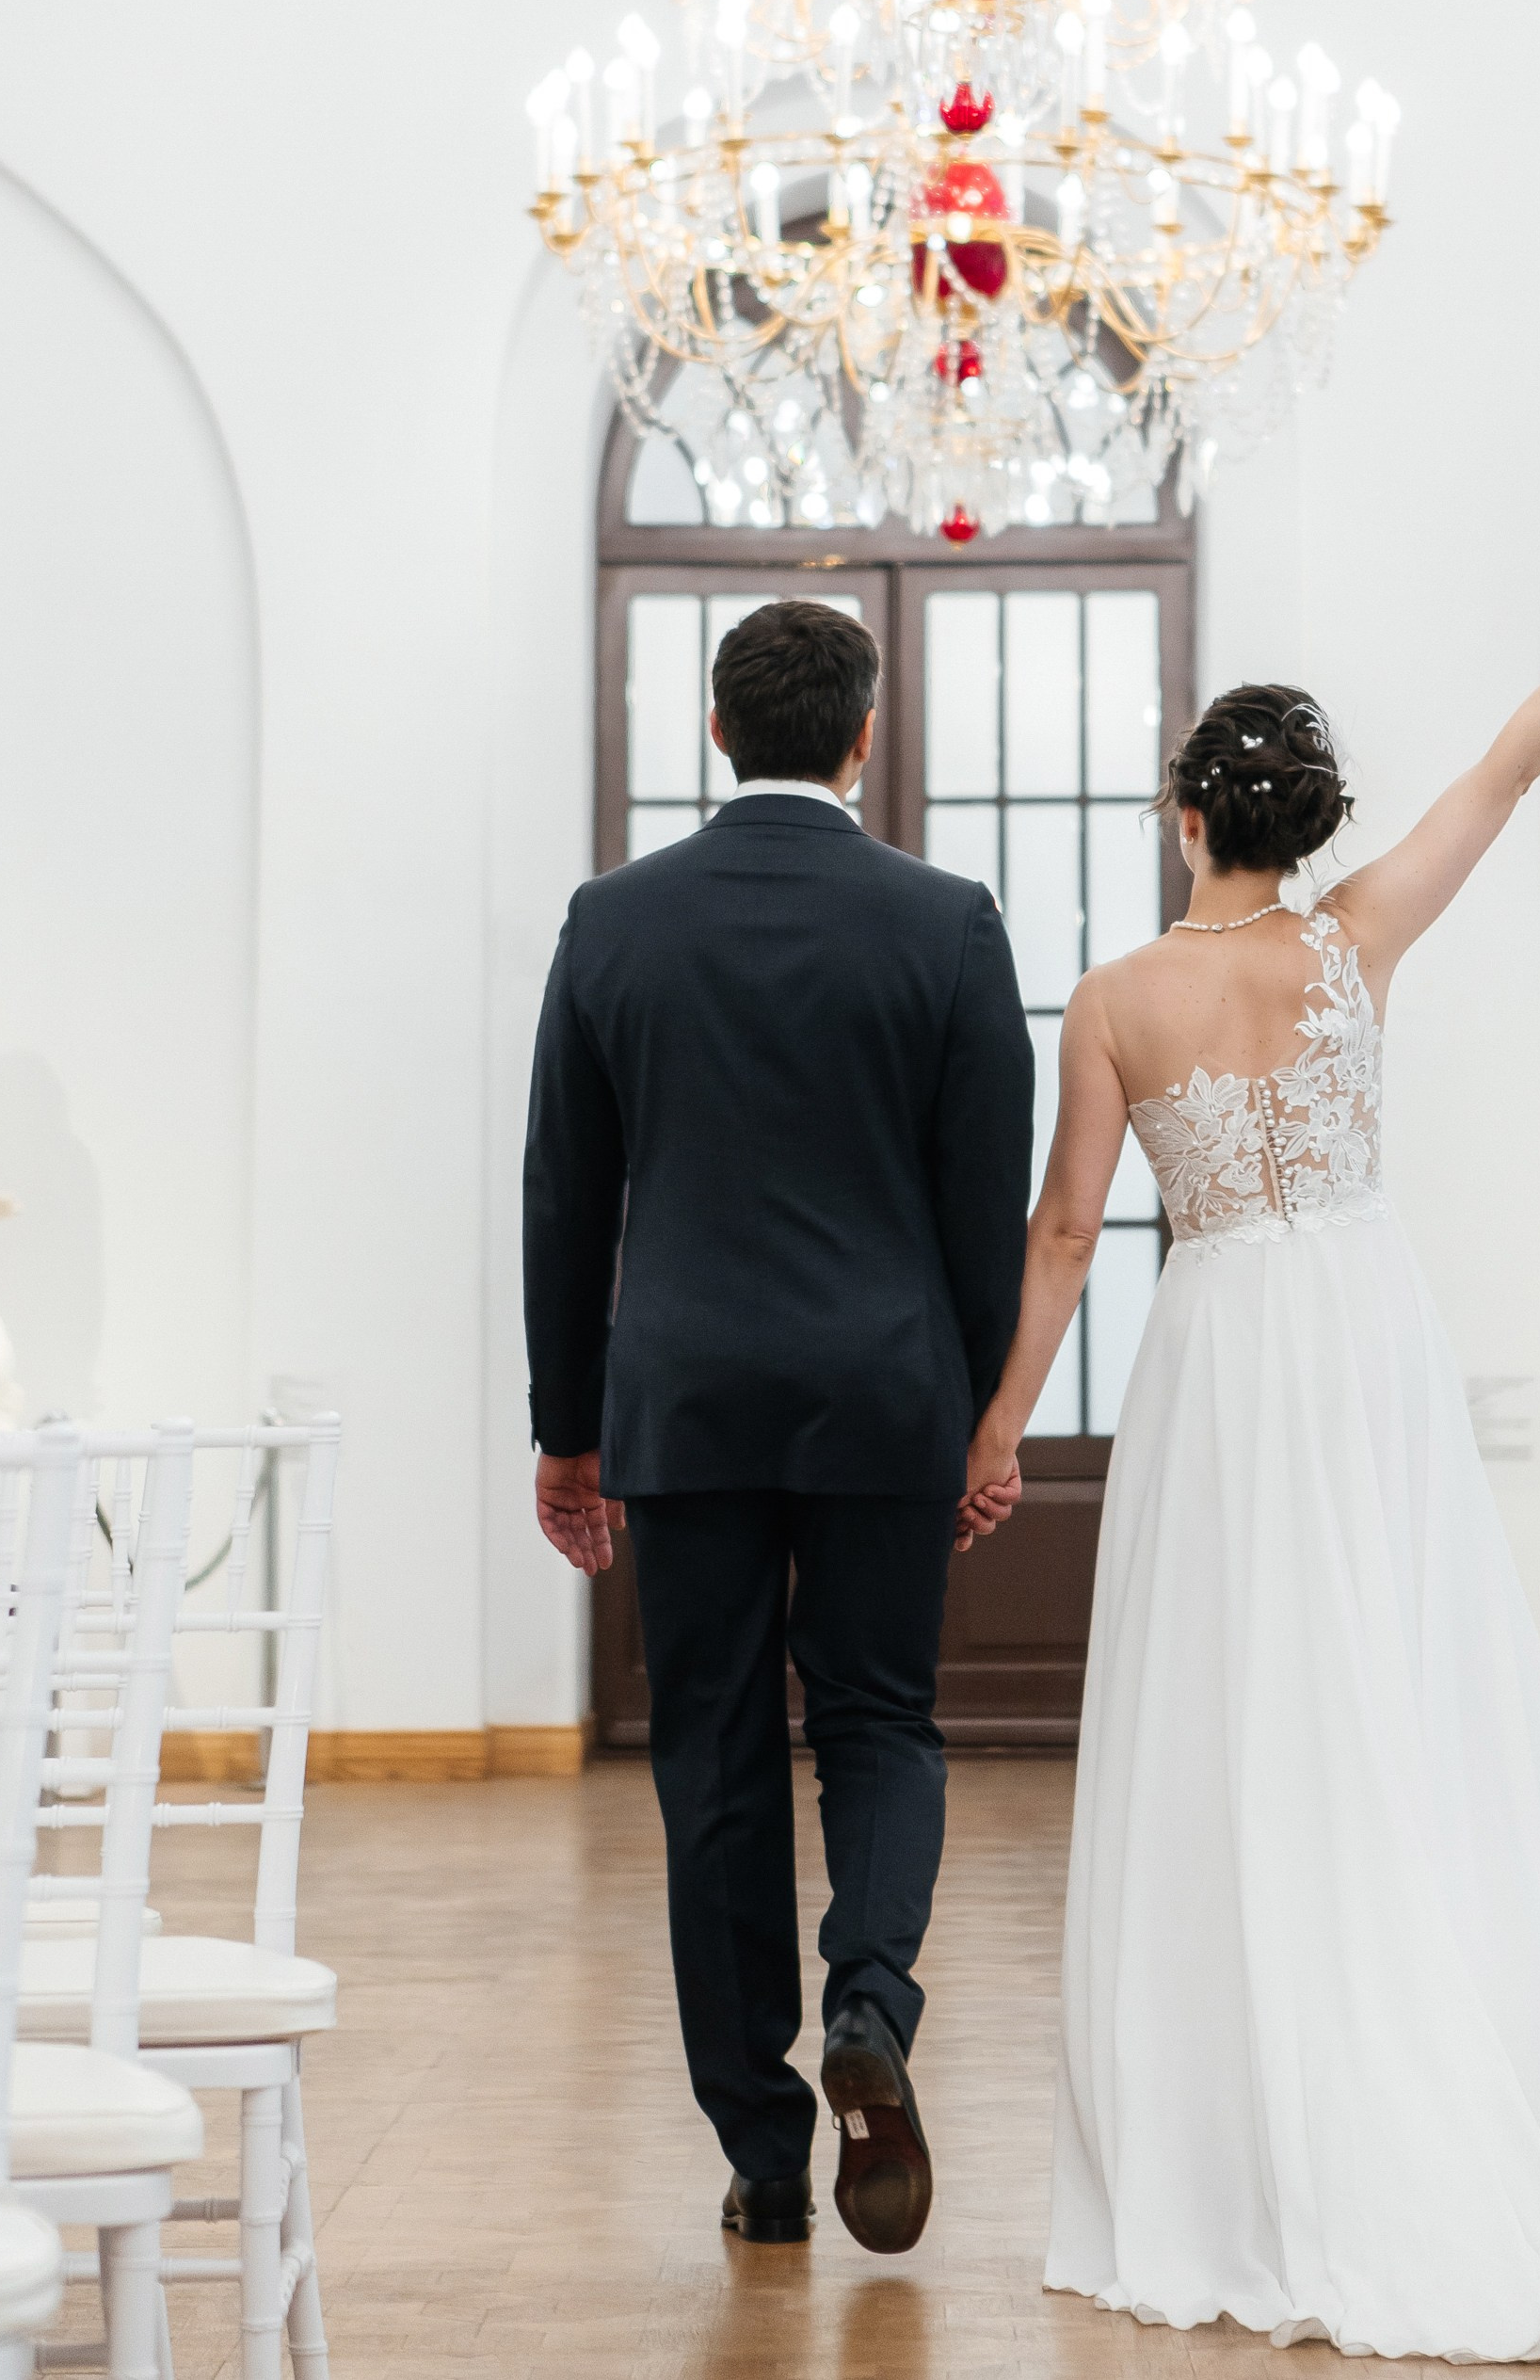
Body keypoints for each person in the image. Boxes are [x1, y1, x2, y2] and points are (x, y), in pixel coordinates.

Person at [958, 549, 1540, 2361]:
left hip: (1227, 1354)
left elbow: (1064, 1235)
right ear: (1300, 824)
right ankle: (1450, 2049)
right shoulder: (1356, 933)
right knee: (1402, 1686)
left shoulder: (1116, 998)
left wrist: (997, 1427)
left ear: (1181, 820)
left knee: (1241, 1710)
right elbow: (1510, 767)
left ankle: (1251, 2112)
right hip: (1365, 1336)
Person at [523, 597, 1035, 2259]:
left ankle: (759, 2151)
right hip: (885, 1390)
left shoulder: (613, 922)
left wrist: (565, 1424)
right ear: (863, 737)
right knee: (880, 1723)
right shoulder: (946, 923)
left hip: (681, 1401)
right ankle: (868, 2003)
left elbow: (563, 1198)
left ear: (717, 735)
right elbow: (985, 1209)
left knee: (717, 1763)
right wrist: (974, 1412)